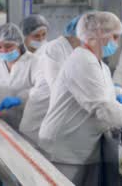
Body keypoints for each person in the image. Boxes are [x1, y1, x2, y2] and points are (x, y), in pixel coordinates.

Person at [38, 11, 122, 185]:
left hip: (78, 146)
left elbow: (105, 99)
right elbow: (105, 110)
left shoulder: (97, 63)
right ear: (98, 35)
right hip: (64, 148)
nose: (116, 43)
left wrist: (121, 99)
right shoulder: (83, 60)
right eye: (114, 37)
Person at [19, 15, 81, 145]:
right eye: (36, 36)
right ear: (25, 36)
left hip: (42, 120)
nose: (41, 39)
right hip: (31, 119)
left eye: (44, 35)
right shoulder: (46, 53)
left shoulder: (49, 51)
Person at [0, 23, 37, 129]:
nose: (3, 50)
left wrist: (21, 99)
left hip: (29, 126)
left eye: (8, 46)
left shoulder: (35, 63)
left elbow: (43, 90)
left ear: (18, 43)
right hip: (0, 124)